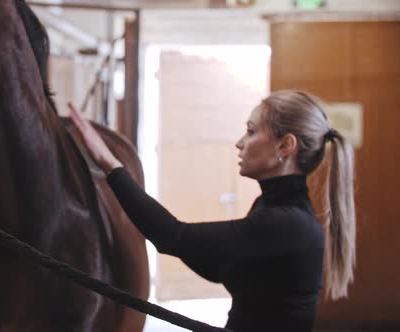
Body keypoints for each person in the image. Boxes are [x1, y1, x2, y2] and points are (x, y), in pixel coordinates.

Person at [67, 89, 356, 332]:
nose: (240, 142)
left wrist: (111, 166)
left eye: (251, 131)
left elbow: (172, 236)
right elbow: (221, 269)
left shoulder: (288, 223)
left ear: (285, 145)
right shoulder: (272, 209)